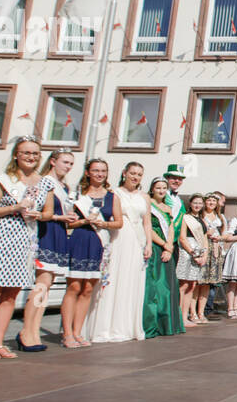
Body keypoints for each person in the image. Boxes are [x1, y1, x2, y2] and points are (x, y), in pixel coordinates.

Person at [0, 136, 55, 361]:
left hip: (26, 238)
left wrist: (39, 215)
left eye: (35, 154)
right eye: (26, 152)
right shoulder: (4, 180)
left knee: (11, 294)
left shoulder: (45, 183)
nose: (31, 157)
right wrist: (15, 207)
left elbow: (48, 213)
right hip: (2, 236)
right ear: (17, 154)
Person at [84, 161, 151, 344]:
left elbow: (147, 223)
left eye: (139, 174)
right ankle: (105, 327)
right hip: (118, 238)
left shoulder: (144, 197)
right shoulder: (114, 193)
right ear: (124, 173)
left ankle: (125, 326)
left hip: (136, 242)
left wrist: (149, 244)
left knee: (130, 282)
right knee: (112, 279)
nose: (135, 177)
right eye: (132, 173)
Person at [18, 150, 78, 351]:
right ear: (53, 162)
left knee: (48, 284)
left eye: (71, 163)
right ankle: (27, 330)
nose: (68, 166)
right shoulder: (44, 181)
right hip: (46, 233)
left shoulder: (65, 186)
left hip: (59, 234)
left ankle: (34, 330)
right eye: (65, 162)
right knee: (41, 284)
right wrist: (60, 218)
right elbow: (38, 211)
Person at [62, 159, 123, 348]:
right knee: (73, 287)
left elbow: (118, 222)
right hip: (79, 239)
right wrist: (83, 221)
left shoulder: (112, 197)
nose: (100, 174)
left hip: (99, 243)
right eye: (96, 170)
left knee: (88, 288)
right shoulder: (77, 194)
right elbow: (67, 222)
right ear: (87, 172)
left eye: (103, 171)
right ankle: (67, 333)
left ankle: (78, 332)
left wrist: (103, 224)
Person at [144, 177, 185, 338]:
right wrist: (164, 244)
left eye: (163, 188)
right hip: (154, 247)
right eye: (158, 188)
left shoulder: (167, 208)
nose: (161, 191)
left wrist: (170, 246)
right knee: (154, 287)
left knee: (167, 288)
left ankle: (167, 324)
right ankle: (151, 324)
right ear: (152, 189)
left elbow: (171, 228)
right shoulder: (149, 205)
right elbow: (148, 228)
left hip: (167, 249)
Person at [178, 194, 211, 324]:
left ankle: (185, 317)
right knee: (184, 284)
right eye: (195, 202)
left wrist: (204, 255)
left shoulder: (201, 219)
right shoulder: (186, 218)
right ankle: (179, 317)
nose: (197, 205)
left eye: (200, 203)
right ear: (190, 204)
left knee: (192, 285)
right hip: (188, 252)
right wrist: (193, 253)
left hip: (199, 252)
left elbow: (204, 239)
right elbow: (182, 238)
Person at [199, 194, 226, 318]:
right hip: (204, 246)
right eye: (209, 200)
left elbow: (224, 233)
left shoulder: (219, 216)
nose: (211, 202)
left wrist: (220, 238)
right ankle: (197, 310)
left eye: (213, 201)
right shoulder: (201, 214)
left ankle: (206, 310)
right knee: (201, 280)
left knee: (211, 281)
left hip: (216, 248)